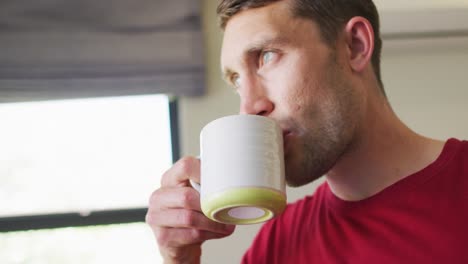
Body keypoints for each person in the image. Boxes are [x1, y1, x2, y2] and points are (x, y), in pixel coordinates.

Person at [145, 0, 468, 263]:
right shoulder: (278, 242)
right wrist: (179, 261)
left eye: (267, 56)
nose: (249, 107)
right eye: (236, 80)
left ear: (354, 46)